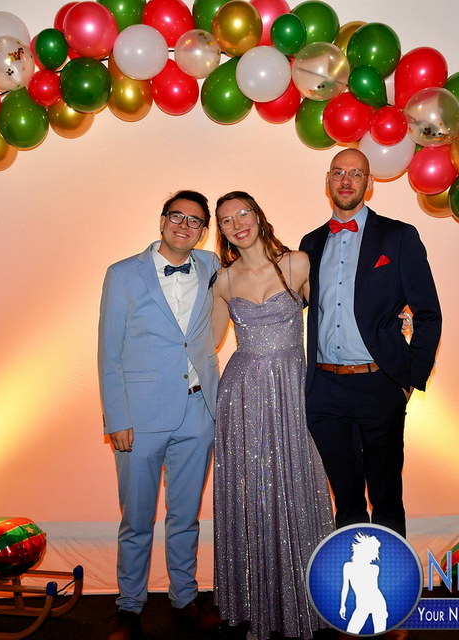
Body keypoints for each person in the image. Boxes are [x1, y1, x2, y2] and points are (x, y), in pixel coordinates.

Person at [299, 148, 442, 539]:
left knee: (386, 496)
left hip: (380, 384)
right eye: (338, 173)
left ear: (369, 183)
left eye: (356, 174)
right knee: (345, 500)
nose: (346, 181)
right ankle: (351, 576)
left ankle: (392, 576)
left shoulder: (398, 236)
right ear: (327, 181)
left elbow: (428, 313)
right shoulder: (310, 243)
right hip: (324, 390)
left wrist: (408, 378)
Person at [98, 190, 222, 640]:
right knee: (136, 520)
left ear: (204, 231)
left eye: (195, 221)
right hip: (139, 417)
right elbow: (108, 350)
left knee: (185, 518)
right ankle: (129, 607)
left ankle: (184, 599)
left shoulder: (212, 266)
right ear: (162, 220)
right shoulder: (122, 273)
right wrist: (116, 418)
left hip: (198, 412)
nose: (184, 226)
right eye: (177, 216)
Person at [211, 191, 334, 640]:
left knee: (299, 486)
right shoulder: (223, 280)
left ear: (259, 216)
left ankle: (308, 599)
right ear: (221, 232)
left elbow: (332, 321)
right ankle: (255, 601)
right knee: (252, 493)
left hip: (292, 390)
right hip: (242, 395)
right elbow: (206, 343)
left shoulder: (297, 264)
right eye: (226, 220)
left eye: (243, 213)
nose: (237, 223)